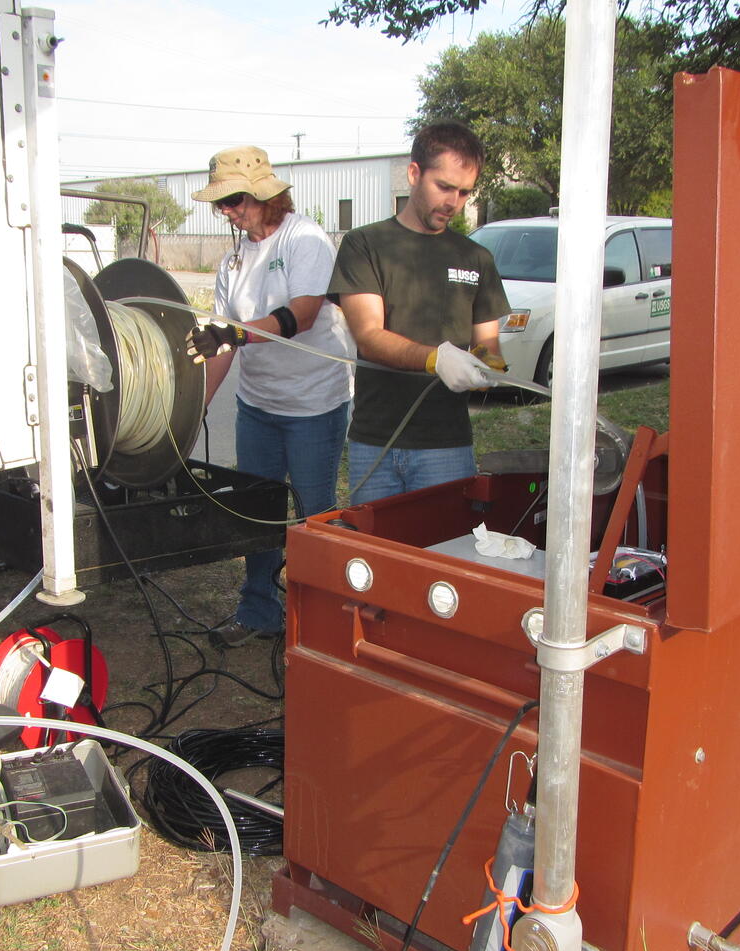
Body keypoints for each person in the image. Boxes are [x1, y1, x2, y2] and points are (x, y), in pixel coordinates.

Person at [185, 146, 352, 647]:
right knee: (254, 509)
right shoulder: (232, 260)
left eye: (234, 200)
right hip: (258, 406)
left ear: (264, 194)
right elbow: (220, 347)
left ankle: (316, 623)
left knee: (312, 515)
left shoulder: (305, 239)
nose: (227, 212)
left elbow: (301, 316)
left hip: (313, 404)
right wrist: (194, 411)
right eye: (220, 204)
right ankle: (258, 610)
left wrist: (234, 334)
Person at [328, 121, 510, 505]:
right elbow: (369, 335)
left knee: (443, 552)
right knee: (375, 559)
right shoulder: (365, 245)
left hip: (446, 444)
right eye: (443, 187)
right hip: (375, 442)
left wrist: (487, 367)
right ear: (414, 173)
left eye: (464, 192)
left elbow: (489, 344)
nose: (453, 202)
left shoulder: (477, 258)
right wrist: (435, 358)